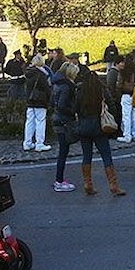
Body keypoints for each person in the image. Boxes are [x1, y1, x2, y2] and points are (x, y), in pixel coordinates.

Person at [77, 71, 126, 196]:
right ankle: (113, 184)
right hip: (99, 126)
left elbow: (74, 107)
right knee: (106, 155)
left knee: (86, 156)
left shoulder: (80, 90)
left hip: (84, 126)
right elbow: (112, 105)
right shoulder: (102, 90)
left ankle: (88, 183)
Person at [51, 62, 79, 192]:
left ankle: (59, 179)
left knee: (63, 151)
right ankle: (59, 180)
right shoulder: (67, 87)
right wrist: (72, 112)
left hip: (58, 119)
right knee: (63, 151)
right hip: (63, 121)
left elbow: (54, 103)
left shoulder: (57, 85)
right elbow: (62, 105)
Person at [23, 54, 52, 152]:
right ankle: (39, 143)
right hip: (40, 100)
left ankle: (27, 142)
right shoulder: (41, 74)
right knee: (40, 121)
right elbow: (46, 89)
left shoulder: (28, 73)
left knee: (29, 121)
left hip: (30, 100)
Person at [116, 56, 135, 144]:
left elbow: (119, 85)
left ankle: (127, 135)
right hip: (133, 95)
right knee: (133, 116)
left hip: (125, 95)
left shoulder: (123, 73)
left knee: (126, 116)